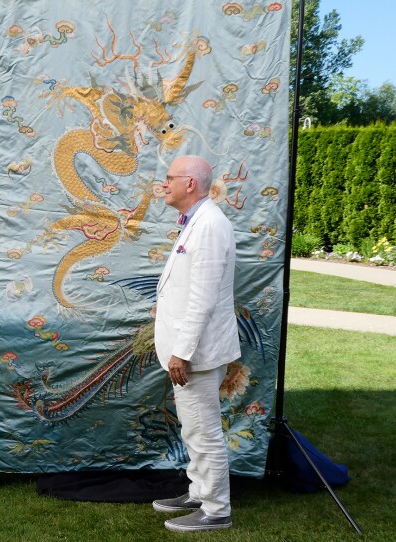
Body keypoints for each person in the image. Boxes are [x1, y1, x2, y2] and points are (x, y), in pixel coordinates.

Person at [151, 155, 240, 532]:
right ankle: (199, 491)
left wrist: (181, 352)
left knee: (204, 431)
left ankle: (216, 510)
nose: (164, 184)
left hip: (197, 354)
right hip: (191, 350)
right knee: (193, 428)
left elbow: (203, 297)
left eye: (170, 178)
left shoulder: (209, 225)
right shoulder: (198, 221)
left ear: (190, 184)